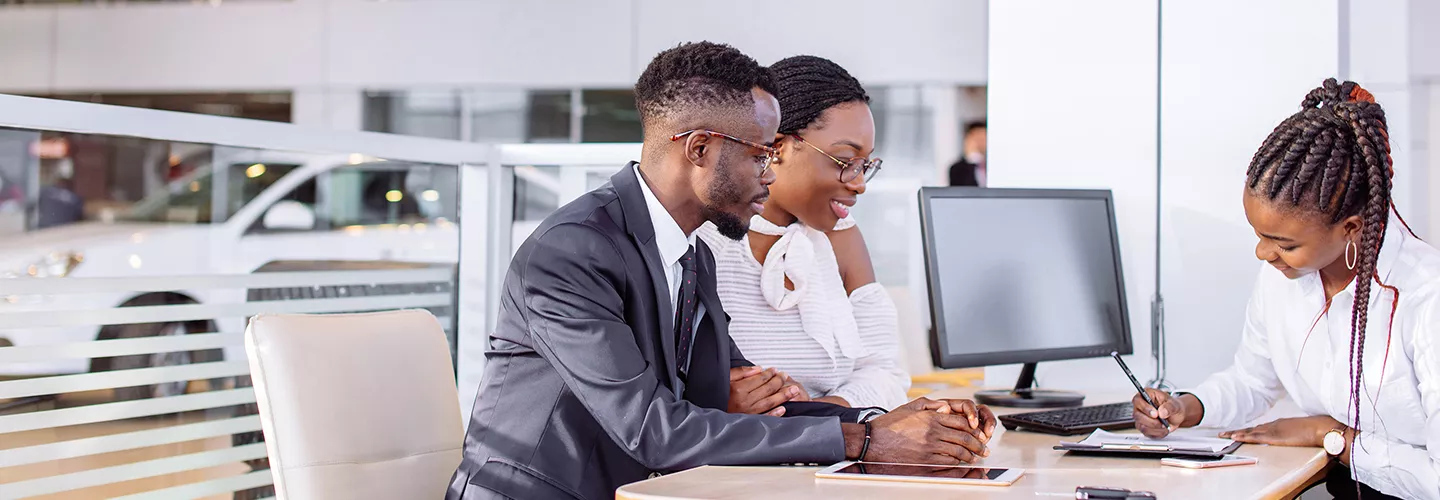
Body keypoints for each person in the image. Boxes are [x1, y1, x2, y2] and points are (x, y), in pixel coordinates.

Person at [446, 42, 997, 500]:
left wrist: (903, 421)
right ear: (701, 148)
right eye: (761, 154)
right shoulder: (572, 251)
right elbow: (652, 428)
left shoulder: (691, 251)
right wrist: (864, 441)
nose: (768, 172)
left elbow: (743, 395)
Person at [1131, 79, 1439, 500]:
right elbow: (1253, 380)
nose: (1263, 253)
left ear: (1351, 228)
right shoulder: (1285, 276)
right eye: (1259, 234)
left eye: (1284, 243)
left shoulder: (1427, 298)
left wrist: (1333, 436)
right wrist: (1186, 407)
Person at [697, 55, 908, 411]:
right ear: (776, 149)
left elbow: (886, 371)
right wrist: (715, 398)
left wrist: (819, 414)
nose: (859, 185)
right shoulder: (703, 238)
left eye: (865, 165)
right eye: (845, 161)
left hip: (831, 448)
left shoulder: (839, 236)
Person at [947, 121, 986, 186]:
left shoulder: (990, 165)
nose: (981, 143)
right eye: (978, 138)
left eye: (984, 139)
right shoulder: (957, 168)